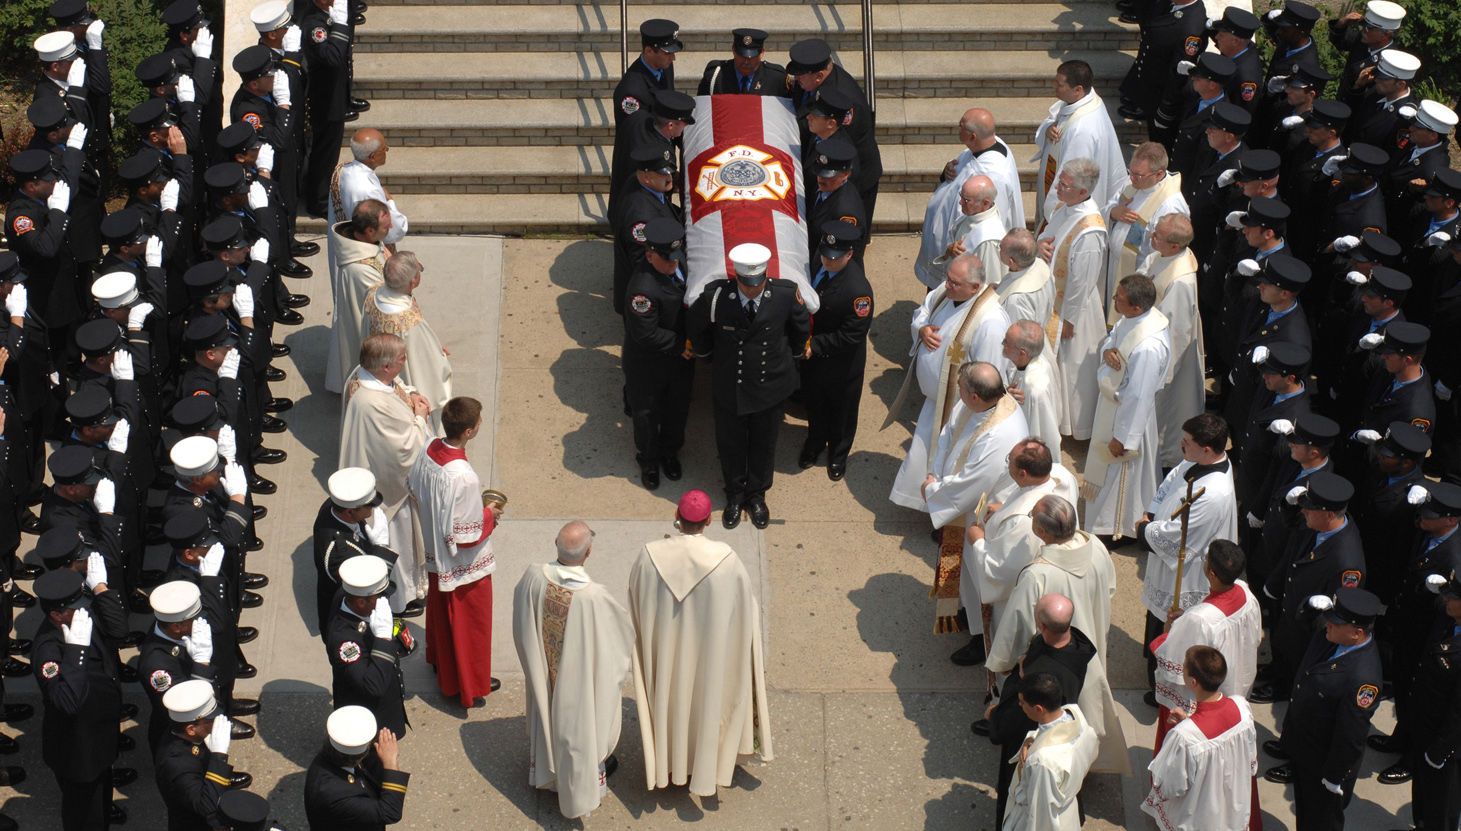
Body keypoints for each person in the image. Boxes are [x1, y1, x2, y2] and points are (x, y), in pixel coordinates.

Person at [628, 490, 773, 796]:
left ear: (677, 518)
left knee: (669, 701)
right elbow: (744, 611)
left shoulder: (649, 555)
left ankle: (669, 764)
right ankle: (705, 765)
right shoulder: (726, 561)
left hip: (665, 654)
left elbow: (636, 602)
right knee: (706, 702)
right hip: (709, 655)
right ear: (709, 520)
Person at [512, 520, 635, 819]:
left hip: (545, 674)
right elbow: (618, 643)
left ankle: (547, 772)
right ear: (589, 552)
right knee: (579, 732)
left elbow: (520, 621)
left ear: (555, 542)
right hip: (578, 683)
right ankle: (576, 792)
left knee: (549, 717)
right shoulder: (594, 597)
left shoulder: (532, 577)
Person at [686, 243, 809, 530]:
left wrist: (789, 358)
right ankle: (734, 493)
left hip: (769, 385)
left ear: (765, 277)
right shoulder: (716, 296)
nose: (751, 289)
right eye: (745, 283)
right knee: (731, 443)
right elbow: (696, 326)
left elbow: (799, 328)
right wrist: (706, 357)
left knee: (764, 444)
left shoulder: (785, 294)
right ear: (737, 278)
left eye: (757, 283)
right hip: (732, 385)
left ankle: (756, 495)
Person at [888, 254, 1011, 511]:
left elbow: (989, 373)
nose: (947, 285)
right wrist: (922, 329)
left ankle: (946, 513)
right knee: (926, 457)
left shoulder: (990, 322)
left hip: (959, 408)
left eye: (955, 283)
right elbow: (922, 311)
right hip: (936, 402)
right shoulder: (947, 293)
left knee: (949, 463)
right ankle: (926, 503)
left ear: (975, 287)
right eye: (948, 278)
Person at [923, 362, 1029, 642]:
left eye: (960, 388)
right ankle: (968, 617)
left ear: (974, 396)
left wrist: (934, 490)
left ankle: (981, 636)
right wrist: (936, 472)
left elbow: (975, 482)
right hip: (962, 498)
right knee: (968, 576)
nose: (956, 392)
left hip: (983, 511)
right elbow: (948, 434)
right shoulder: (985, 401)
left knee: (978, 577)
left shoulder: (1000, 432)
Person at [1133, 413, 1239, 693]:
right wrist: (1153, 512)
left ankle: (1165, 689)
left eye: (1187, 442)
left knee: (1173, 630)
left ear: (1207, 448)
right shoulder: (1196, 459)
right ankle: (1154, 672)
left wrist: (1144, 531)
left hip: (1185, 573)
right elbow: (1170, 482)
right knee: (1157, 623)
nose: (1182, 445)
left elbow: (1180, 537)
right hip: (1166, 560)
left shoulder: (1216, 493)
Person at [1263, 588, 1383, 831]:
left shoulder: (1362, 679)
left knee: (1322, 821)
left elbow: (1351, 736)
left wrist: (1334, 776)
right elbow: (1306, 620)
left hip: (1323, 765)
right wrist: (1308, 604)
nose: (1327, 623)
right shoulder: (1334, 635)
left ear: (1357, 633)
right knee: (1306, 814)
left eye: (1335, 622)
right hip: (1304, 747)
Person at [407, 397, 500, 708]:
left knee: (441, 614)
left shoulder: (429, 448)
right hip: (463, 565)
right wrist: (489, 514)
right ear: (470, 431)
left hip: (435, 549)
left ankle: (441, 665)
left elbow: (416, 488)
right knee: (469, 624)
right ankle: (469, 683)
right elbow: (468, 533)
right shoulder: (463, 476)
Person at [339, 334, 433, 615]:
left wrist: (411, 394)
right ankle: (400, 599)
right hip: (389, 489)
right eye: (401, 359)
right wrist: (420, 418)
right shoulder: (372, 404)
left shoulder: (363, 373)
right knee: (396, 542)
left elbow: (397, 387)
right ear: (386, 367)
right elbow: (403, 449)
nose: (405, 363)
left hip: (384, 475)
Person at [980, 594, 1093, 827]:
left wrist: (996, 718)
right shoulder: (1076, 645)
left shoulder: (1041, 760)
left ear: (1043, 626)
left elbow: (1040, 811)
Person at [1254, 471, 1365, 702]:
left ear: (1330, 514)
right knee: (1282, 646)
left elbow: (1342, 612)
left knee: (1295, 659)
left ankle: (1284, 687)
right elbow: (1294, 526)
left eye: (1309, 507)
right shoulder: (1317, 524)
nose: (1304, 510)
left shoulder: (1347, 562)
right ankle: (1278, 675)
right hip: (1290, 608)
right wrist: (1288, 505)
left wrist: (1315, 617)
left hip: (1307, 628)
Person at [32, 568, 129, 828]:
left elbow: (120, 631)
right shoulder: (48, 650)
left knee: (100, 804)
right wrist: (75, 652)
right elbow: (67, 702)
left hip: (99, 734)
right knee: (84, 817)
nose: (85, 609)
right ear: (56, 615)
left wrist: (101, 590)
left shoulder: (79, 618)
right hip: (78, 750)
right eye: (76, 606)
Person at [966, 439, 1078, 658]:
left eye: (1009, 460)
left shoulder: (1025, 523)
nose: (1007, 464)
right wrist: (1003, 509)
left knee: (1013, 648)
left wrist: (978, 541)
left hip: (1021, 598)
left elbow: (1003, 572)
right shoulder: (1062, 477)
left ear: (1023, 473)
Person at [1149, 541, 1262, 747]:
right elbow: (1253, 636)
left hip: (1208, 699)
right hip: (1238, 684)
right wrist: (1186, 621)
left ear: (1211, 573)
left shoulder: (1200, 619)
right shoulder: (1246, 593)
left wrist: (1172, 629)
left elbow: (1172, 655)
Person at [1085, 274, 1172, 540]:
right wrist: (1107, 351)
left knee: (1119, 474)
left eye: (1118, 299)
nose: (1114, 300)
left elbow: (1139, 396)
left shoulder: (1148, 347)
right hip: (1113, 404)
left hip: (1126, 417)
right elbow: (1116, 337)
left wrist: (1123, 438)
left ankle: (1115, 528)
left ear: (1136, 306)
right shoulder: (1135, 318)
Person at [1141, 645, 1260, 831]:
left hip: (1201, 813)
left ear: (1193, 682)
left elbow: (1170, 785)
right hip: (1232, 803)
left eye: (1184, 669)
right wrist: (1189, 722)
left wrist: (1187, 727)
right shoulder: (1242, 707)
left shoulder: (1184, 736)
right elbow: (1247, 758)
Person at [988, 496, 1118, 664]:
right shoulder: (1096, 545)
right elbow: (1109, 589)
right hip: (1092, 642)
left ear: (1041, 531)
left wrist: (1004, 661)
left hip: (1055, 660)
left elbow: (1018, 625)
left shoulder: (1037, 575)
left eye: (1031, 516)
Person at [1039, 159, 1109, 439]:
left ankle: (1074, 425)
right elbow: (1048, 236)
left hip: (1073, 309)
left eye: (1064, 184)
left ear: (1082, 192)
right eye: (1060, 181)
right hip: (1053, 300)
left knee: (1072, 366)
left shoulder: (1091, 230)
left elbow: (1082, 280)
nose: (1057, 187)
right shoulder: (1065, 206)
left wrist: (1069, 319)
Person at [916, 108, 1024, 287]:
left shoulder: (993, 174)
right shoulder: (982, 146)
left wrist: (958, 247)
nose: (958, 127)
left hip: (962, 254)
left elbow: (995, 216)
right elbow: (961, 171)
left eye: (961, 126)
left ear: (973, 136)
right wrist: (947, 171)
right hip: (950, 248)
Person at [800, 221, 874, 481]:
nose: (827, 261)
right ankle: (815, 442)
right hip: (815, 360)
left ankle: (838, 455)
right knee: (816, 404)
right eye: (825, 255)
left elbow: (852, 334)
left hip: (841, 363)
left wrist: (815, 345)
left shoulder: (857, 292)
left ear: (850, 254)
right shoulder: (820, 262)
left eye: (834, 258)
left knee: (842, 412)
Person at [622, 217, 692, 490]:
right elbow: (646, 334)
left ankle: (670, 452)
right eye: (667, 258)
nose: (674, 263)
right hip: (648, 364)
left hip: (679, 361)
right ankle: (649, 459)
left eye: (677, 256)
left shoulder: (678, 263)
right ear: (650, 255)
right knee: (647, 414)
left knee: (677, 409)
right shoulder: (642, 290)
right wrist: (683, 345)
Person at [1032, 60, 1127, 229]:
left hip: (1074, 212)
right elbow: (1055, 116)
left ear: (1078, 90)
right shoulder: (1084, 100)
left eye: (1060, 85)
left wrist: (1053, 214)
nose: (1055, 87)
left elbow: (1070, 174)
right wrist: (1048, 129)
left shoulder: (1083, 130)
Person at [1142, 214, 1205, 467]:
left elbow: (1176, 333)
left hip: (1169, 362)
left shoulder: (1180, 281)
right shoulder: (1163, 256)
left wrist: (1161, 378)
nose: (1151, 236)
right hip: (1149, 341)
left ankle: (1164, 464)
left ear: (1175, 245)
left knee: (1167, 416)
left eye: (1157, 235)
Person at [363, 251, 452, 428]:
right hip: (405, 373)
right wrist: (439, 356)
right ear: (413, 281)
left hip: (381, 366)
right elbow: (425, 359)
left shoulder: (373, 293)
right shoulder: (407, 319)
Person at [1001, 674, 1100, 831]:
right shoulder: (1077, 719)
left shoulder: (1042, 763)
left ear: (1038, 708)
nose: (1020, 705)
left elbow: (1040, 817)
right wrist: (1032, 740)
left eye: (1022, 702)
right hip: (1067, 813)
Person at [325, 555, 407, 739]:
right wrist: (384, 638)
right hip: (369, 721)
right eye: (380, 597)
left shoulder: (348, 595)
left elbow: (362, 571)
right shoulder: (345, 642)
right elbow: (372, 686)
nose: (384, 601)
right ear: (361, 602)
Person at [608, 19, 679, 225]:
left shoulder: (664, 67)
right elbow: (640, 140)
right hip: (642, 174)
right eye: (667, 53)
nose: (672, 58)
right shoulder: (631, 92)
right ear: (649, 51)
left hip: (660, 166)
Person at [1103, 143, 1189, 311]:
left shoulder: (1171, 206)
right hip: (1115, 266)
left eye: (1138, 175)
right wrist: (1114, 212)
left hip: (1138, 276)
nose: (1132, 178)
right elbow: (1109, 205)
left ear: (1159, 174)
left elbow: (1164, 253)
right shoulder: (1132, 183)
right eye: (1131, 172)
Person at [154, 679, 247, 830]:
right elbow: (207, 807)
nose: (217, 720)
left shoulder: (188, 736)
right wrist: (219, 756)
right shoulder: (177, 764)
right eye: (210, 719)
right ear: (191, 729)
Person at [304, 705, 411, 830]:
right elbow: (390, 812)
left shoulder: (330, 756)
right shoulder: (335, 795)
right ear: (360, 757)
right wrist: (391, 761)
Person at [313, 467, 391, 634]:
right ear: (349, 512)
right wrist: (381, 549)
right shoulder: (339, 553)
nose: (373, 509)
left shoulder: (334, 506)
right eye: (368, 506)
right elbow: (369, 585)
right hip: (353, 623)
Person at [325, 199, 391, 395]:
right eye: (386, 227)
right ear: (370, 231)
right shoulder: (361, 269)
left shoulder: (364, 244)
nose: (391, 228)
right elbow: (383, 303)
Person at [298, 0, 354, 216]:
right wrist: (340, 26)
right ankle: (318, 201)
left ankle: (321, 195)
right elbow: (332, 58)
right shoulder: (315, 25)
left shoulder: (326, 15)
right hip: (326, 100)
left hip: (334, 94)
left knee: (328, 150)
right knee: (325, 153)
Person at [328, 129, 408, 257]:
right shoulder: (368, 192)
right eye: (384, 149)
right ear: (373, 156)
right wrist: (389, 201)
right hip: (365, 254)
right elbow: (394, 230)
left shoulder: (342, 169)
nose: (387, 150)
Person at [924, 175, 1006, 291]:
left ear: (985, 203)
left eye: (966, 200)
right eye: (961, 196)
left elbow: (990, 285)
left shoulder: (989, 239)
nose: (960, 202)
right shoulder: (972, 215)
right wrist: (949, 251)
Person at [1000, 321, 1063, 453]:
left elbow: (1044, 435)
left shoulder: (1035, 389)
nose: (1002, 343)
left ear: (1022, 353)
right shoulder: (1034, 362)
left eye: (1007, 342)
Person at [994, 230, 1055, 335]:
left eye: (1001, 248)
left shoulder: (1016, 301)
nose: (999, 248)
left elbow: (1019, 337)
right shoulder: (1041, 265)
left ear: (1011, 262)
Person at [697, 28, 785, 95]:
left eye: (751, 56)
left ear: (761, 53)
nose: (746, 61)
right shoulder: (716, 75)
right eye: (741, 55)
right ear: (733, 50)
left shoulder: (776, 78)